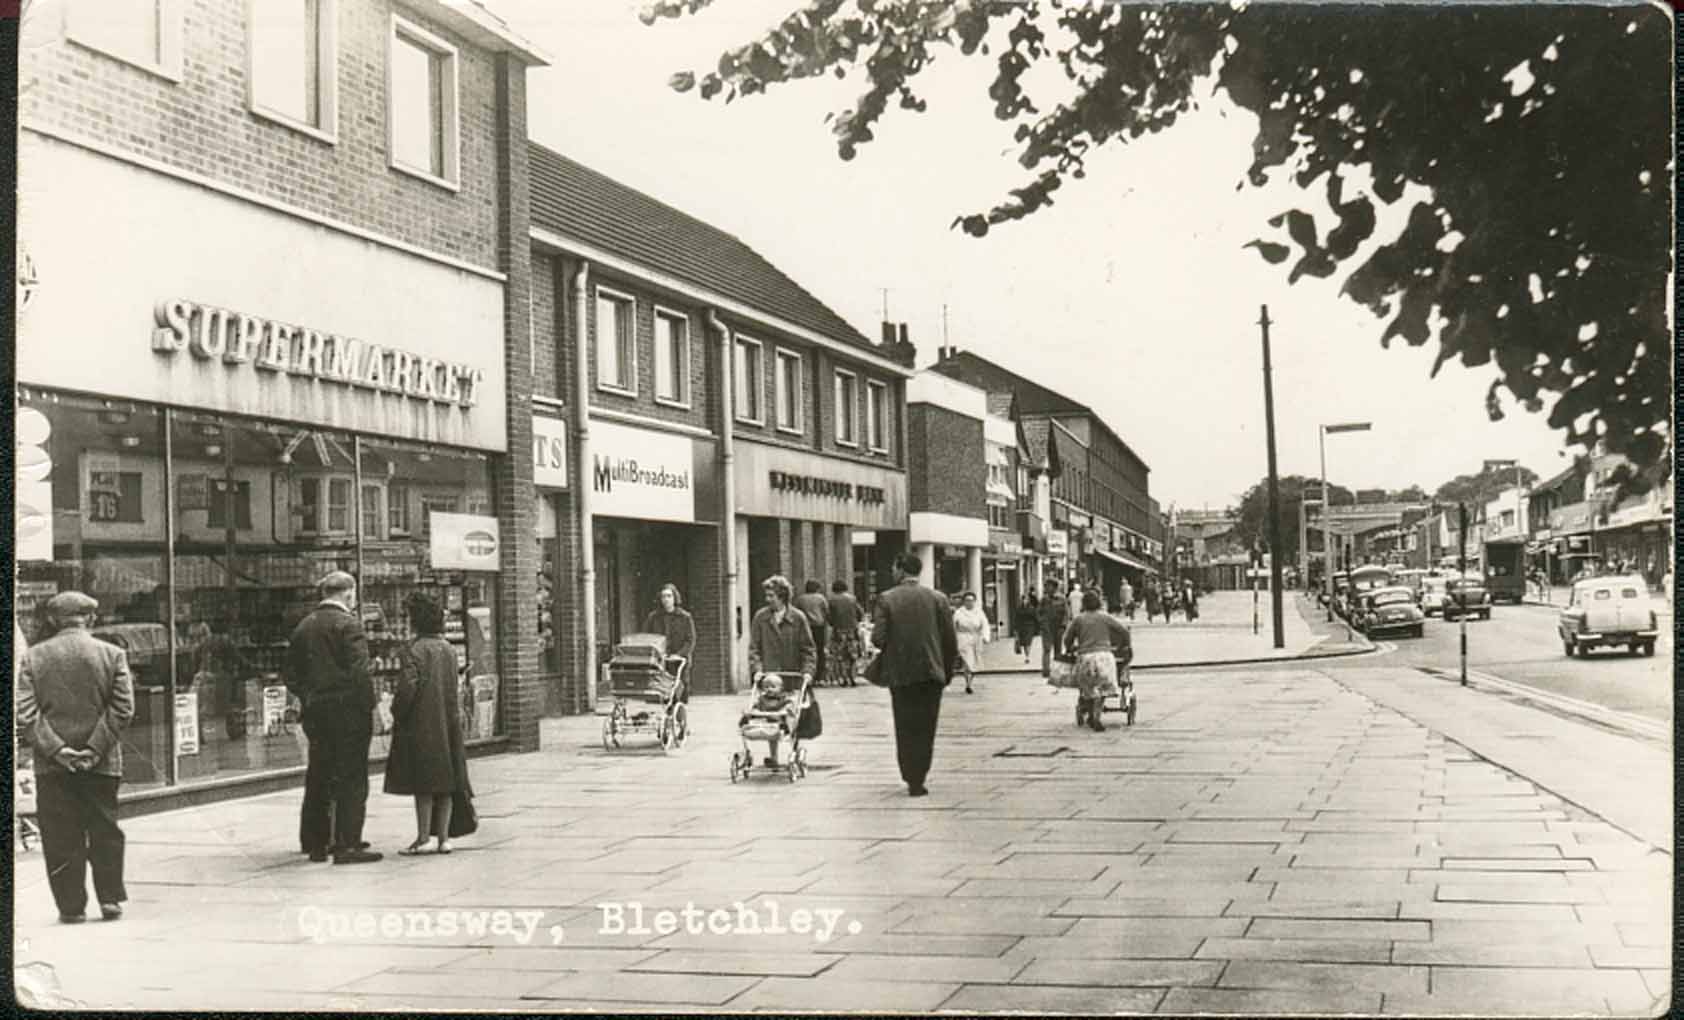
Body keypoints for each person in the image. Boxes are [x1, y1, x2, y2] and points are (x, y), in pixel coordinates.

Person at [17, 592, 134, 923]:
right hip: (103, 763)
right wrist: (95, 748)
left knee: (59, 834)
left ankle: (71, 906)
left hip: (52, 766)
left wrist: (58, 750)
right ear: (91, 619)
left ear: (54, 621)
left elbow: (26, 713)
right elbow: (123, 709)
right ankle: (110, 898)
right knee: (105, 829)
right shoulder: (112, 655)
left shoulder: (35, 657)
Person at [286, 571, 382, 865]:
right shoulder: (348, 625)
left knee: (319, 773)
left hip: (317, 713)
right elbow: (358, 673)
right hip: (349, 713)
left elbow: (290, 675)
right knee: (352, 776)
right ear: (349, 594)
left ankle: (315, 842)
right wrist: (372, 709)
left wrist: (310, 695)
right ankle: (348, 843)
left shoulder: (304, 626)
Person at [384, 592, 472, 856]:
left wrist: (395, 712)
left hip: (421, 723)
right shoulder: (448, 649)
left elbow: (407, 689)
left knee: (423, 784)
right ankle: (444, 838)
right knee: (446, 782)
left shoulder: (414, 650)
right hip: (448, 723)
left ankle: (424, 837)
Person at [871, 553, 958, 797]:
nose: (892, 572)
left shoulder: (886, 599)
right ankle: (920, 775)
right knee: (926, 726)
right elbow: (950, 640)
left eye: (893, 568)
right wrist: (947, 671)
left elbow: (878, 638)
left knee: (905, 724)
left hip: (900, 673)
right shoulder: (938, 598)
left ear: (900, 569)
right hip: (932, 672)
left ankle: (910, 776)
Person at [747, 575, 816, 767]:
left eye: (771, 596)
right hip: (770, 676)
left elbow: (808, 648)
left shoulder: (798, 618)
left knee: (791, 713)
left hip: (792, 674)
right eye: (767, 595)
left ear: (782, 596)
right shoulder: (761, 618)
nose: (767, 599)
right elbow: (754, 648)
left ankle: (793, 750)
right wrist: (757, 670)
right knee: (770, 713)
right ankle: (774, 755)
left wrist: (808, 671)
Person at [1061, 589, 1133, 732]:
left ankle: (1089, 711)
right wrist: (1124, 645)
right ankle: (1096, 716)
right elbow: (1124, 631)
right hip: (1104, 657)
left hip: (1085, 658)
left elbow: (1067, 638)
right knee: (1102, 690)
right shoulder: (1105, 617)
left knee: (1087, 688)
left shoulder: (1079, 619)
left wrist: (1070, 648)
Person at [642, 583, 697, 700]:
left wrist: (679, 654)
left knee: (679, 693)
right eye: (663, 597)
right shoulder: (654, 617)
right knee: (661, 692)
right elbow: (647, 637)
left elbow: (690, 640)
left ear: (675, 598)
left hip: (678, 661)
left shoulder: (685, 617)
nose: (666, 600)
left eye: (669, 596)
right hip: (661, 661)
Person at [793, 580, 832, 687]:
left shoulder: (800, 599)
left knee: (806, 650)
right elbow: (826, 611)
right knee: (820, 650)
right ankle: (820, 677)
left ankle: (808, 674)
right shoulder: (820, 598)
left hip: (805, 626)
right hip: (819, 627)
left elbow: (796, 611)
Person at [825, 580, 865, 686]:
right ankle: (851, 676)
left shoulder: (831, 600)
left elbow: (829, 617)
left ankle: (843, 678)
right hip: (852, 630)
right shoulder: (852, 599)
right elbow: (860, 613)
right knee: (852, 655)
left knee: (840, 656)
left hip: (838, 631)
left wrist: (833, 623)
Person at [951, 591, 989, 695]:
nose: (969, 603)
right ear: (964, 602)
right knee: (967, 662)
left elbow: (985, 624)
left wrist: (985, 636)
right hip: (963, 638)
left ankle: (970, 681)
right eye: (967, 600)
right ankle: (968, 684)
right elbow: (953, 626)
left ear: (974, 601)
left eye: (971, 600)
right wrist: (953, 639)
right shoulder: (959, 613)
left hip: (976, 638)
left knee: (974, 663)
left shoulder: (979, 612)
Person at [1037, 581, 1070, 678]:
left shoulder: (1062, 599)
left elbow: (1066, 613)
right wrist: (1042, 623)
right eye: (1046, 586)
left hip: (1058, 627)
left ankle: (1057, 671)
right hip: (1047, 627)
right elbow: (1038, 612)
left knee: (1058, 650)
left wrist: (1063, 626)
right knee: (1047, 649)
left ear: (1054, 587)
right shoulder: (1044, 600)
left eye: (1048, 586)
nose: (1046, 588)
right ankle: (1046, 670)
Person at [1013, 593, 1039, 663]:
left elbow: (1036, 618)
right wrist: (1015, 629)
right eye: (1023, 599)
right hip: (1021, 628)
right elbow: (1016, 619)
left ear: (1028, 600)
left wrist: (1037, 629)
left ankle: (1027, 657)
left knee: (1028, 642)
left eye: (1026, 599)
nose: (1024, 601)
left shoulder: (1032, 608)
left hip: (1030, 627)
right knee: (1024, 643)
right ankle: (1027, 655)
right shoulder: (1019, 608)